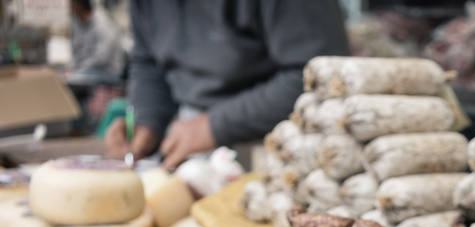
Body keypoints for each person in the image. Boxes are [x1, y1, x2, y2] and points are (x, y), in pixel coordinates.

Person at [105, 0, 350, 170]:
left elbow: (317, 75)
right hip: (189, 147)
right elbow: (149, 61)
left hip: (283, 151)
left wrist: (213, 126)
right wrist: (147, 120)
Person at [65, 0, 126, 128]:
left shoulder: (102, 24)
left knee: (74, 80)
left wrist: (79, 69)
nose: (69, 9)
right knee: (65, 78)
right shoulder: (78, 24)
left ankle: (86, 123)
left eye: (72, 5)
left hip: (108, 71)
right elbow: (76, 54)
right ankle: (76, 121)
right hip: (87, 69)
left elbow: (102, 57)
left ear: (80, 6)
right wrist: (70, 67)